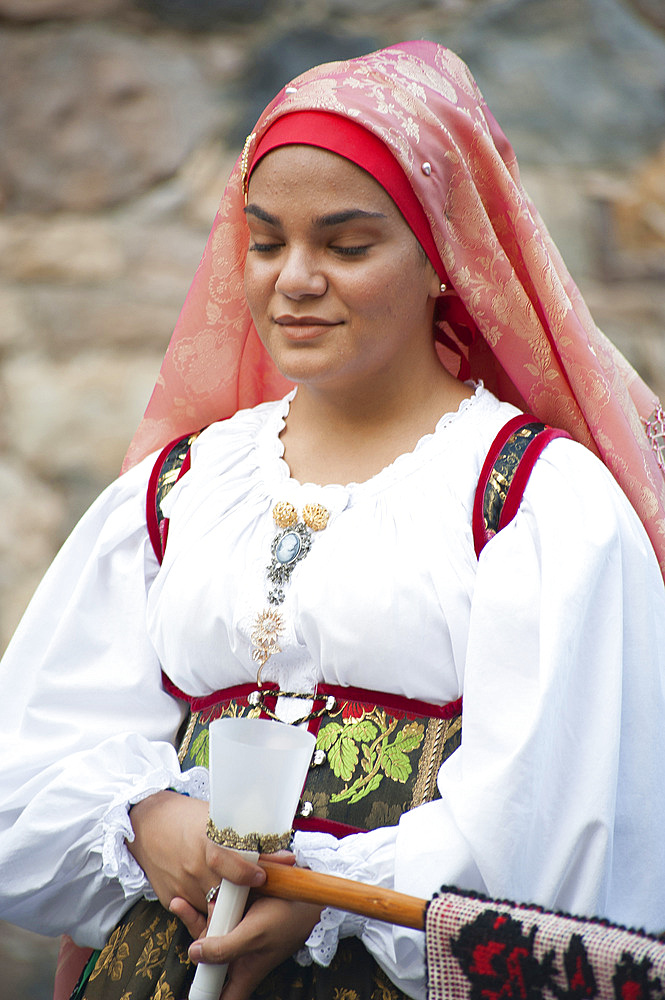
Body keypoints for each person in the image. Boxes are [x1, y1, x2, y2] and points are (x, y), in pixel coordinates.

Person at [1, 39, 665, 1000]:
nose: (294, 278)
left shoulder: (537, 503)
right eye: (266, 242)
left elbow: (560, 823)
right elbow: (33, 751)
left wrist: (332, 894)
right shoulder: (186, 485)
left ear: (444, 257)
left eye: (345, 246)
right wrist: (145, 823)